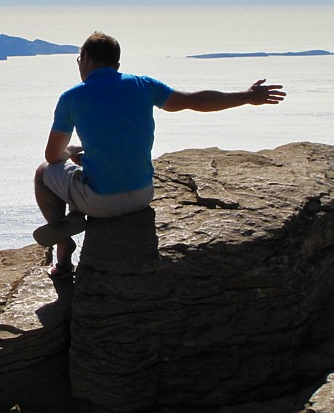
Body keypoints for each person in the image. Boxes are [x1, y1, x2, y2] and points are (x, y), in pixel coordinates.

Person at [34, 31, 286, 279]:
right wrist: (248, 97)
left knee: (43, 172)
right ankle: (78, 211)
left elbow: (53, 155)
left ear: (85, 59)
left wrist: (72, 151)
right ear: (117, 65)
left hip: (101, 202)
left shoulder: (71, 97)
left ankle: (63, 249)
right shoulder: (144, 85)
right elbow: (196, 101)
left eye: (79, 60)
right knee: (88, 170)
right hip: (142, 196)